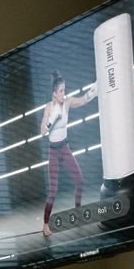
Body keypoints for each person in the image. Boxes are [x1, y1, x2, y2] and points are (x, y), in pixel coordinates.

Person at [40, 72, 94, 234]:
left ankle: (77, 213)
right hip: (54, 152)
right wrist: (51, 121)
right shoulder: (49, 107)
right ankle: (45, 224)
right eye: (61, 91)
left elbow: (83, 100)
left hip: (65, 148)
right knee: (53, 191)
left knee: (79, 179)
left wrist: (94, 90)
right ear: (54, 93)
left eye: (64, 90)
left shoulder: (68, 102)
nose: (64, 93)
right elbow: (43, 131)